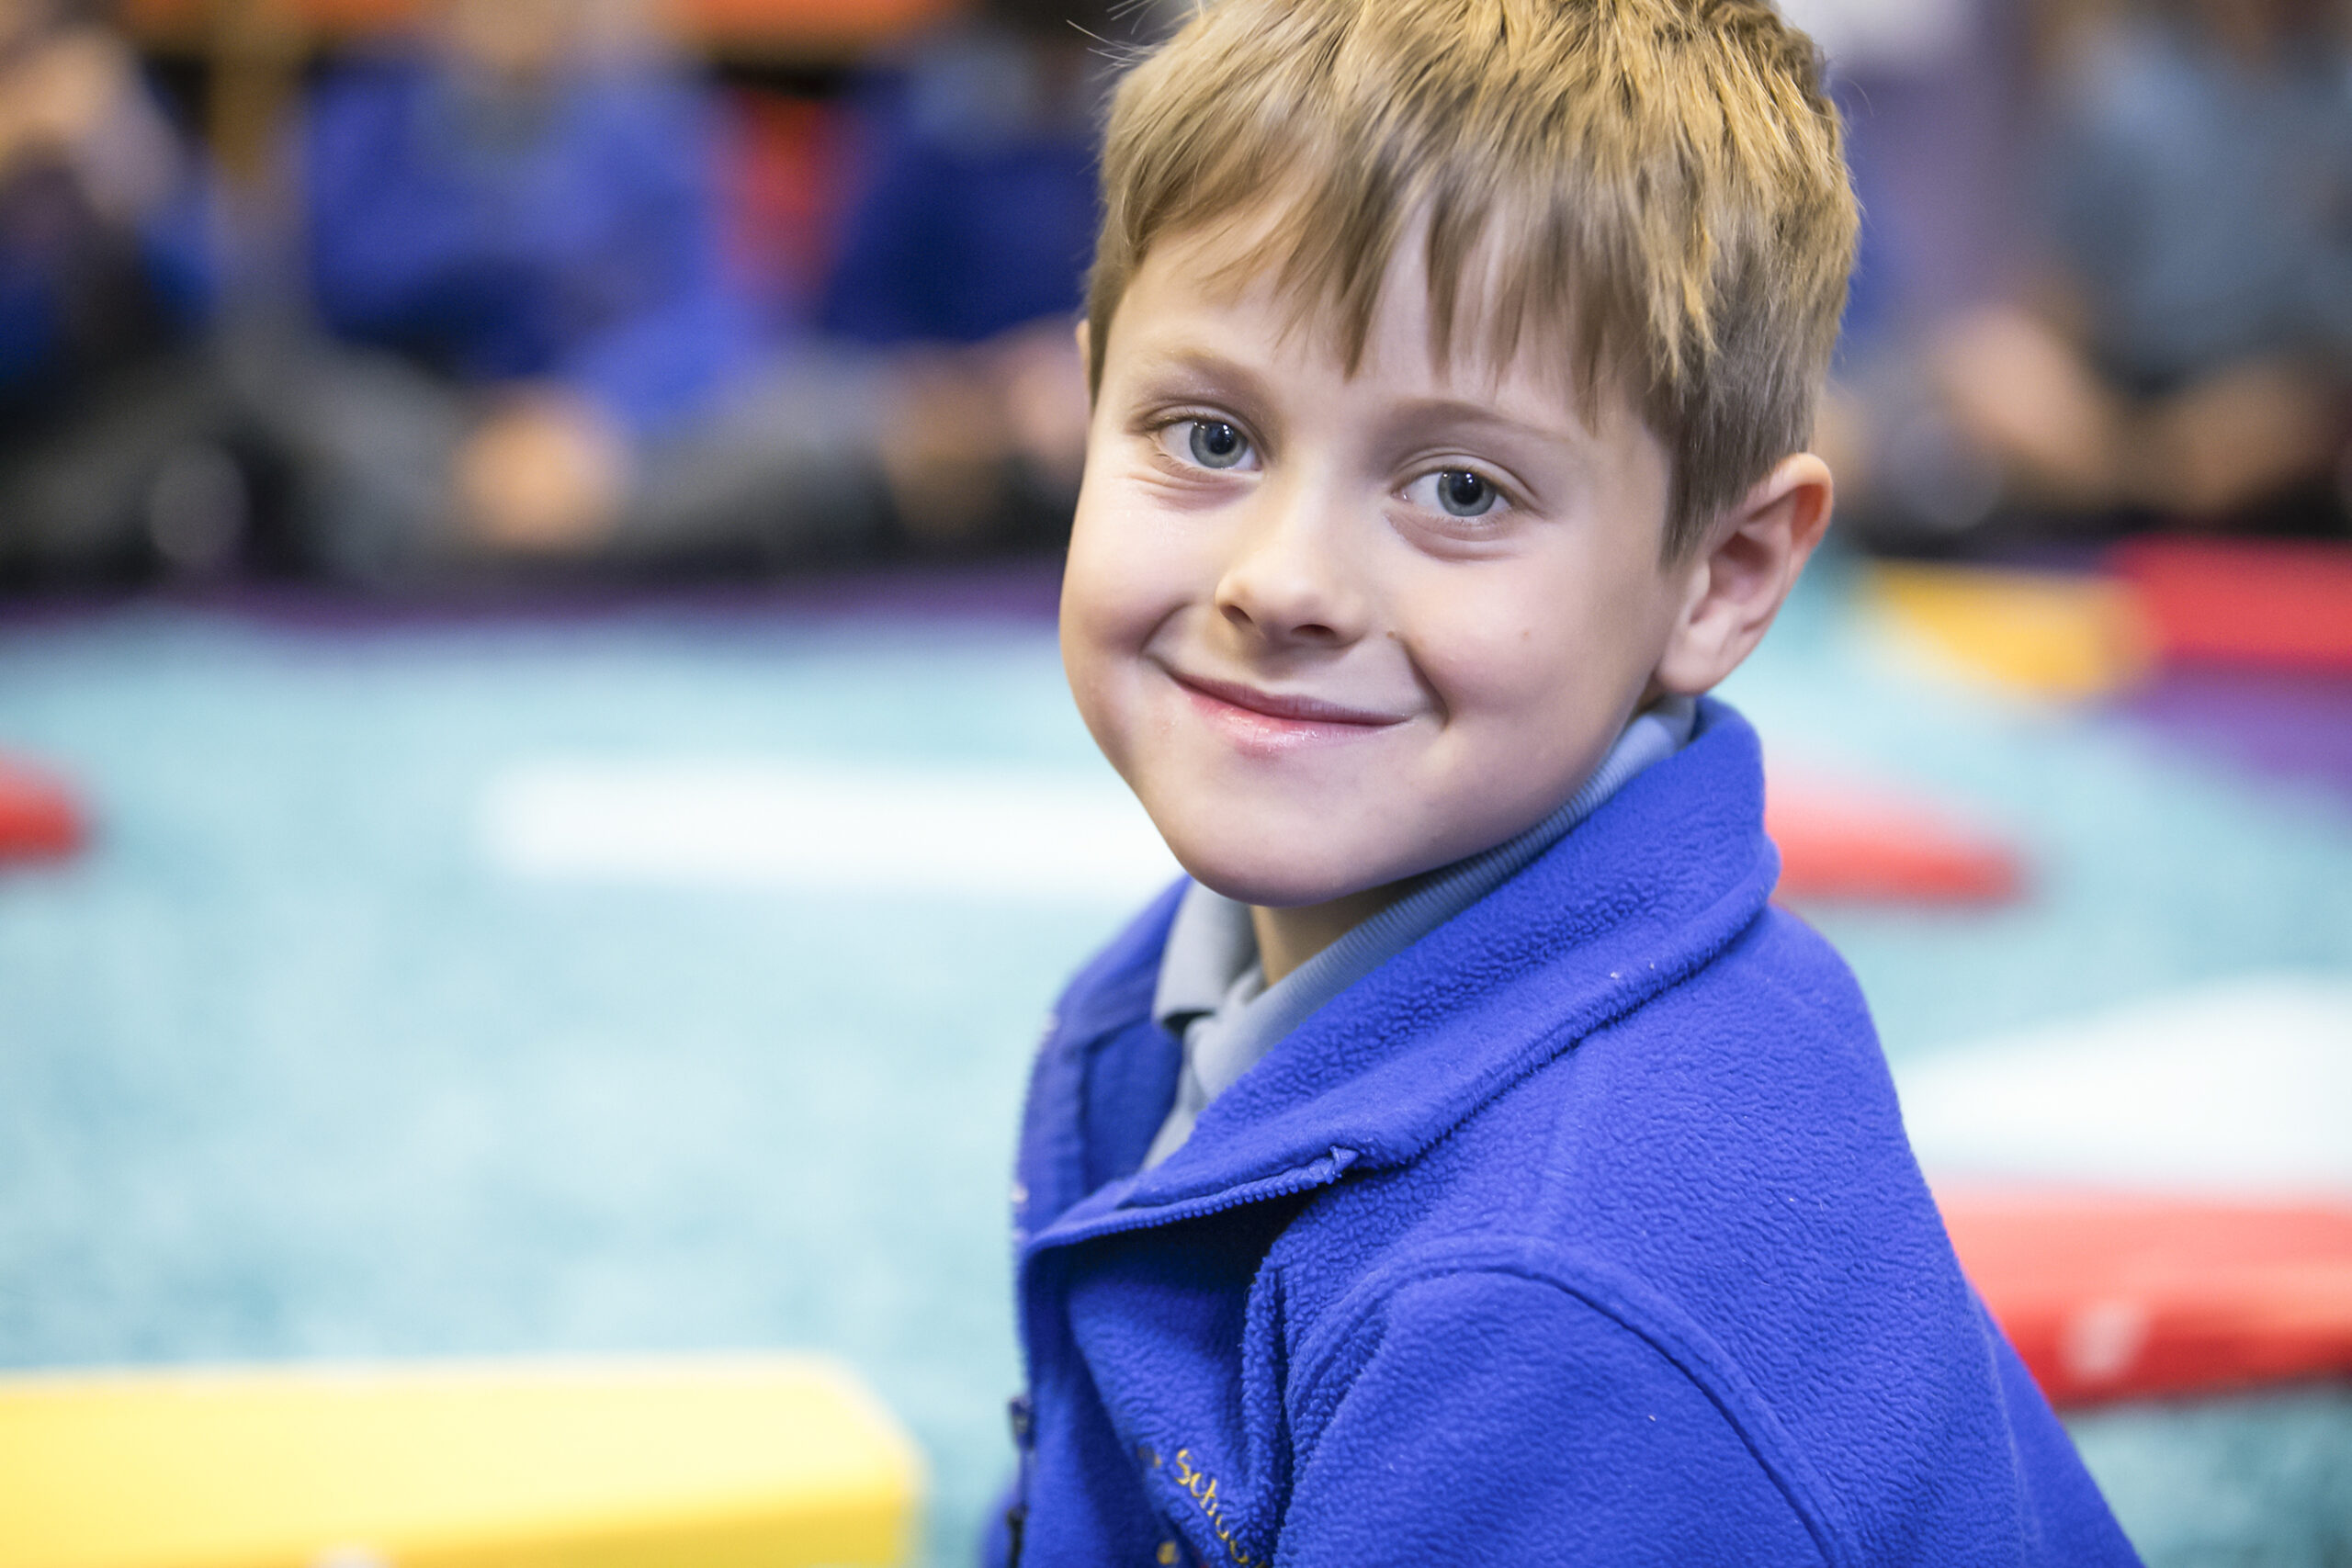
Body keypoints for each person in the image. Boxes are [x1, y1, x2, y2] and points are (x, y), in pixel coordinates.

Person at [995, 2, 2141, 1563]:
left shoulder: (1542, 1301)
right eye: (1209, 435)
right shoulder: (1176, 992)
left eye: (1460, 486)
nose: (1283, 580)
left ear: (1721, 577)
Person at [277, 0, 890, 583]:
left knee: (802, 425)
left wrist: (591, 417)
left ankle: (490, 542)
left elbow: (710, 314)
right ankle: (547, 542)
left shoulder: (648, 107)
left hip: (611, 440)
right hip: (437, 420)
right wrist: (485, 203)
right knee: (302, 412)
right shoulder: (372, 106)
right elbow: (335, 294)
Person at [0, 0, 222, 583]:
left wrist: (125, 160)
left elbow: (214, 288)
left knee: (247, 375)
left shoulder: (93, 85)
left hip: (96, 422)